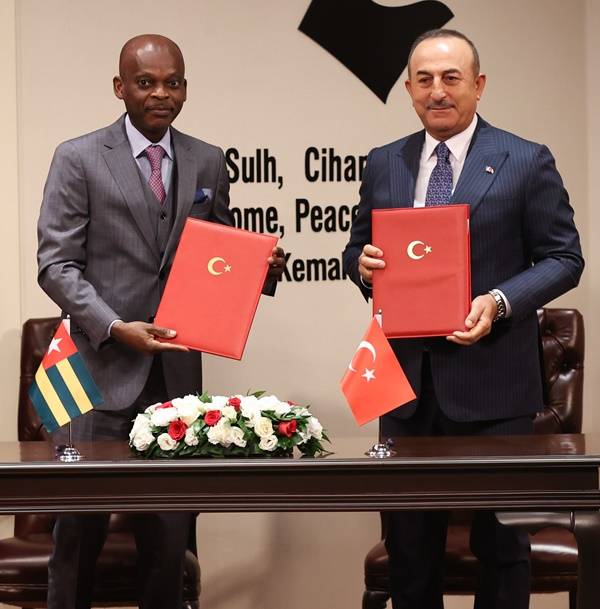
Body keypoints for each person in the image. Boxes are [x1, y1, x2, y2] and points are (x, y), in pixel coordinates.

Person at [37, 34, 285, 609]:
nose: (160, 94)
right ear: (120, 87)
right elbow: (55, 265)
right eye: (145, 82)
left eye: (172, 83)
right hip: (93, 375)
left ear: (186, 89)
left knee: (168, 543)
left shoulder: (207, 160)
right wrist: (113, 325)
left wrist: (262, 268)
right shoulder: (78, 157)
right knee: (78, 539)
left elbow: (217, 257)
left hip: (175, 383)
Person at [342, 29, 584, 609]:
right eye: (424, 80)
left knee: (501, 550)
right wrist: (363, 267)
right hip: (405, 390)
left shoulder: (526, 159)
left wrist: (498, 301)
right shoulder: (385, 162)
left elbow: (564, 257)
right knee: (410, 553)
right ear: (408, 89)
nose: (437, 91)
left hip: (493, 386)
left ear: (478, 85)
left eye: (451, 78)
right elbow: (356, 250)